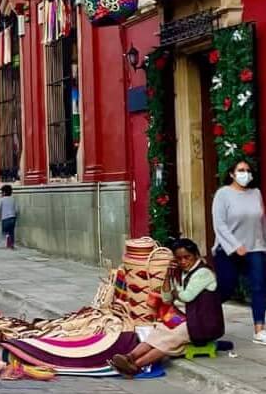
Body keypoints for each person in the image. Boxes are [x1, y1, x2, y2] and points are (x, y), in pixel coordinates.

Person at [110, 239, 223, 376]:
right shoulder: (179, 273)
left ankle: (137, 366)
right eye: (179, 259)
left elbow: (187, 297)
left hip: (201, 323)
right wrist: (169, 276)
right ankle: (130, 357)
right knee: (160, 330)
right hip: (184, 318)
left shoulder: (203, 273)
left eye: (187, 257)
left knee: (170, 338)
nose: (183, 262)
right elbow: (166, 298)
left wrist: (175, 290)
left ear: (196, 256)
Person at [212, 159, 266, 343]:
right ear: (232, 174)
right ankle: (202, 315)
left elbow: (261, 221)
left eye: (248, 170)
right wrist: (235, 246)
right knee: (226, 288)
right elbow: (219, 224)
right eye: (241, 170)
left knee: (259, 287)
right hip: (228, 249)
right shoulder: (223, 194)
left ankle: (259, 330)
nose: (245, 173)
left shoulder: (255, 193)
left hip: (256, 247)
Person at [0, 184, 18, 249]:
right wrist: (16, 215)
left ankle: (8, 242)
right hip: (13, 217)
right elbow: (16, 209)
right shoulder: (13, 199)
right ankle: (12, 244)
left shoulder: (1, 200)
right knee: (12, 231)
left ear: (3, 192)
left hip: (5, 218)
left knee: (5, 231)